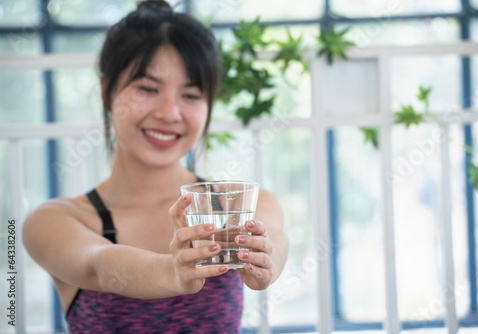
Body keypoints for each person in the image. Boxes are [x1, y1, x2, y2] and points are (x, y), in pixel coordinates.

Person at [22, 1, 288, 333]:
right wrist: (173, 273)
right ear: (107, 91)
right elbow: (101, 267)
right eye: (148, 89)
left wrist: (267, 261)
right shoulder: (54, 221)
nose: (169, 113)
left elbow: (275, 237)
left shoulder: (240, 206)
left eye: (190, 95)